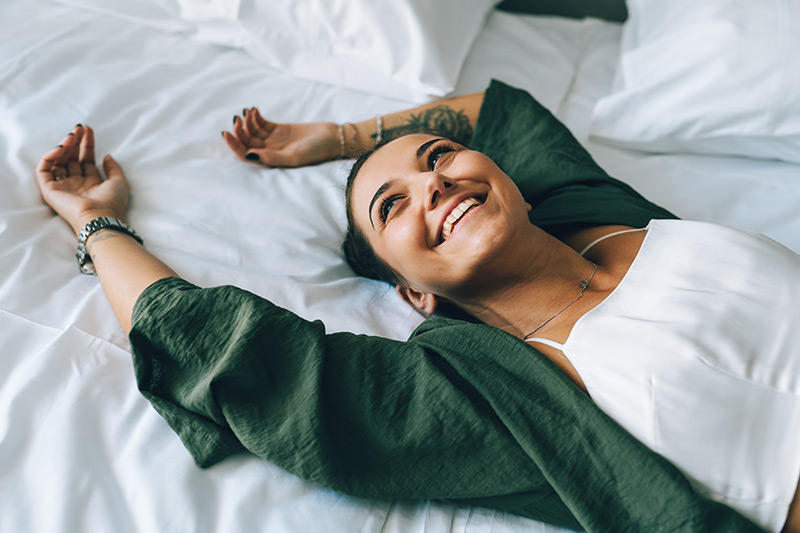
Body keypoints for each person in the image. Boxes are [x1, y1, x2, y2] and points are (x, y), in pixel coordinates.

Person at [35, 80, 798, 532]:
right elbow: (225, 349)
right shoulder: (493, 393)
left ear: (509, 181)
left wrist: (336, 139)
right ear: (413, 291)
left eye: (437, 161)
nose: (435, 184)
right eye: (391, 208)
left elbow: (500, 109)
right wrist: (96, 220)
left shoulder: (596, 209)